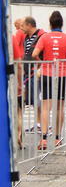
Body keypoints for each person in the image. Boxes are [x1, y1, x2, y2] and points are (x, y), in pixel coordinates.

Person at [32, 11, 66, 150]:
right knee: (59, 107)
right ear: (61, 24)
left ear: (50, 24)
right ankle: (57, 138)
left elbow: (34, 54)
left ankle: (44, 139)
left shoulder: (44, 37)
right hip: (63, 74)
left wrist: (43, 62)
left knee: (46, 106)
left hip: (47, 73)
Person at [21, 16, 44, 134]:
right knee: (32, 99)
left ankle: (40, 125)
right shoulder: (26, 37)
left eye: (23, 26)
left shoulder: (41, 36)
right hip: (27, 72)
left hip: (37, 73)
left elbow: (43, 54)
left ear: (29, 25)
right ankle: (37, 124)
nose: (21, 28)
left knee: (38, 99)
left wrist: (40, 68)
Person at [12, 18, 25, 147]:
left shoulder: (17, 34)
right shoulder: (17, 35)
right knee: (19, 111)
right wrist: (20, 83)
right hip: (16, 73)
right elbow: (19, 63)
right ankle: (19, 135)